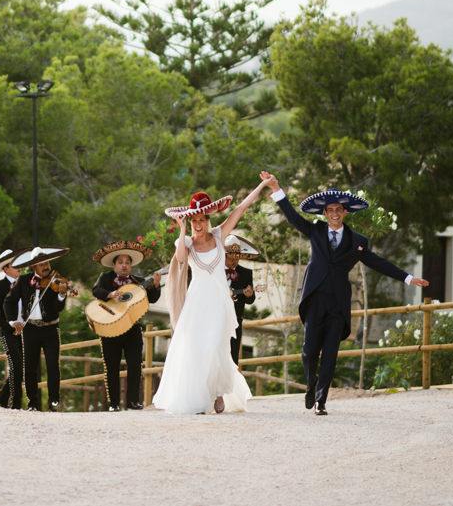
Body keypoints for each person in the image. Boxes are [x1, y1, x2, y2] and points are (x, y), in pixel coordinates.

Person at [260, 172, 429, 415]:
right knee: (309, 351)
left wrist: (409, 278)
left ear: (345, 212)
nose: (335, 213)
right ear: (325, 213)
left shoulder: (358, 241)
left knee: (330, 354)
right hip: (315, 299)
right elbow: (292, 217)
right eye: (331, 210)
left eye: (339, 209)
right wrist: (277, 189)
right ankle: (311, 385)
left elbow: (378, 262)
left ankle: (321, 401)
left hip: (338, 304)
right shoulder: (315, 231)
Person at [153, 178, 272, 415]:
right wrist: (183, 228)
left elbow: (240, 208)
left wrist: (261, 186)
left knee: (216, 343)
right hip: (197, 302)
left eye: (201, 220)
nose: (198, 224)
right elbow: (180, 259)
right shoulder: (186, 241)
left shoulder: (219, 235)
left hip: (219, 301)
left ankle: (218, 392)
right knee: (197, 347)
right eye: (194, 220)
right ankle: (199, 399)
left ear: (208, 220)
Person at [90, 240, 163, 411]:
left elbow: (151, 298)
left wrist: (156, 284)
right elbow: (95, 291)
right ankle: (113, 404)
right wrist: (111, 294)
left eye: (127, 263)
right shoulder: (105, 278)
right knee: (112, 367)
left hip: (132, 328)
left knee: (135, 365)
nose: (124, 266)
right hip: (110, 328)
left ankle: (132, 402)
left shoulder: (138, 281)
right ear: (114, 265)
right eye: (121, 262)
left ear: (131, 266)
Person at [5, 246, 73, 412]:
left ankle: (54, 401)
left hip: (50, 329)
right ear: (33, 267)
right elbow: (9, 301)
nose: (46, 267)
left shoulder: (55, 281)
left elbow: (57, 308)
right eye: (41, 264)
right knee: (30, 367)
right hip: (30, 330)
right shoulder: (23, 281)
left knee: (52, 364)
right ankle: (33, 403)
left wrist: (62, 295)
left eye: (47, 262)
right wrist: (14, 321)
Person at [0, 248, 25, 409]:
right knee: (16, 365)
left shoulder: (24, 285)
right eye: (14, 265)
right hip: (8, 333)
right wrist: (9, 326)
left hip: (23, 331)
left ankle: (3, 396)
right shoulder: (0, 287)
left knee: (20, 367)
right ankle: (15, 404)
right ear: (6, 269)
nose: (19, 267)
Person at [223, 236, 261, 365]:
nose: (234, 260)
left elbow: (250, 301)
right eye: (231, 257)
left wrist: (249, 295)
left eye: (237, 257)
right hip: (215, 320)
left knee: (232, 359)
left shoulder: (246, 273)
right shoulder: (213, 271)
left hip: (235, 322)